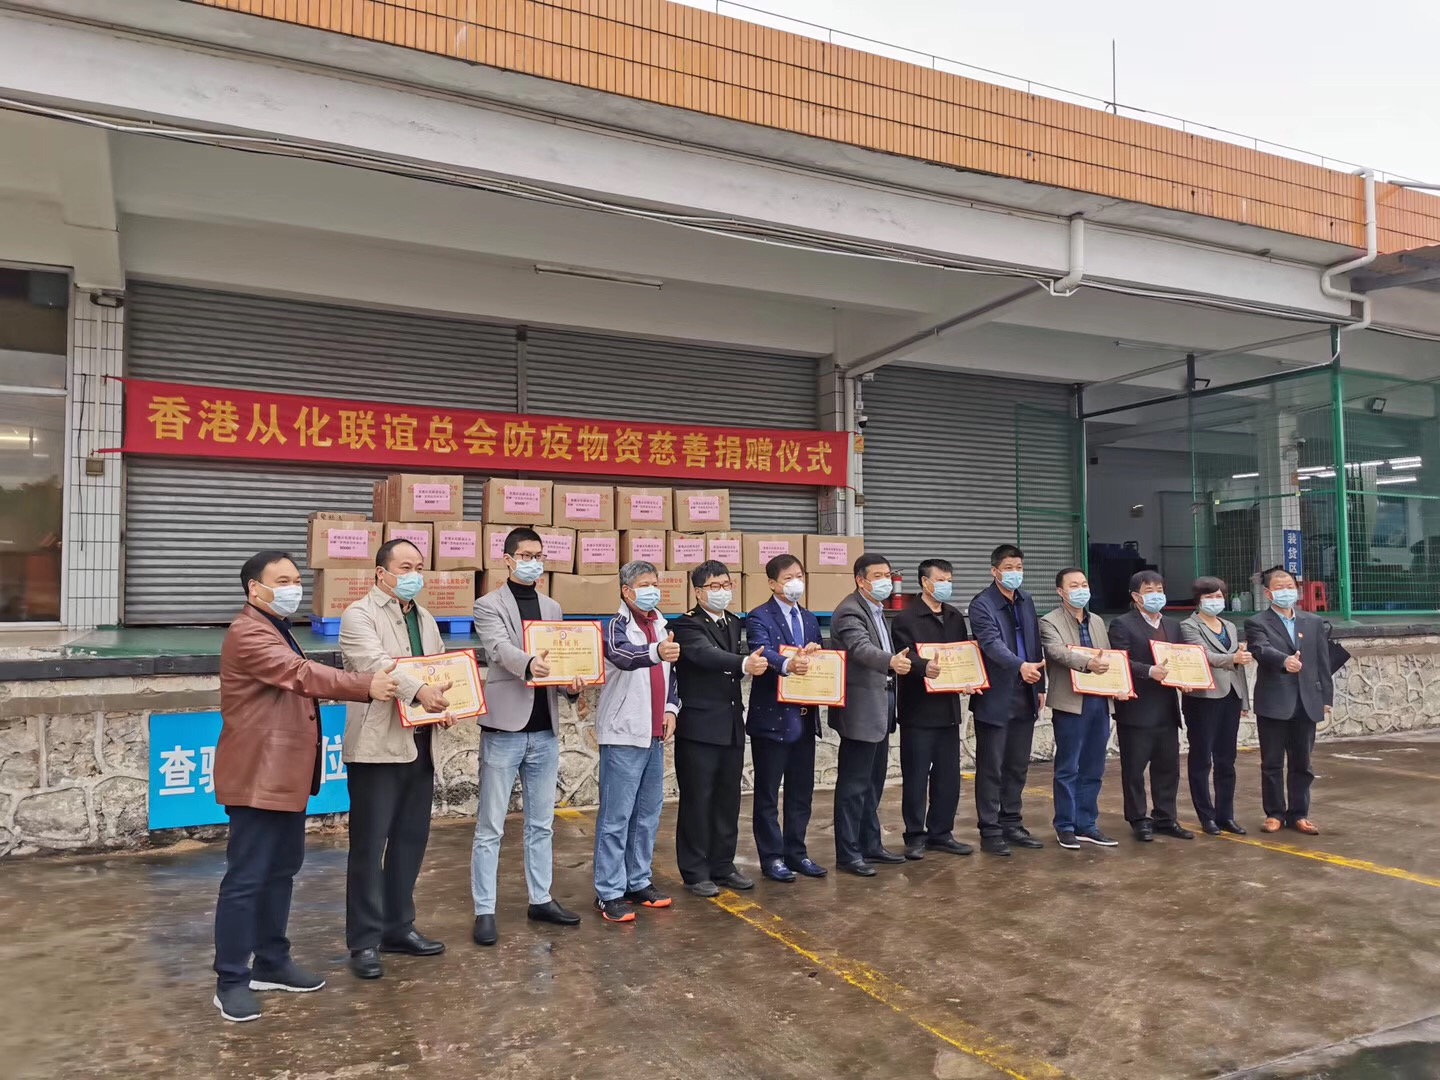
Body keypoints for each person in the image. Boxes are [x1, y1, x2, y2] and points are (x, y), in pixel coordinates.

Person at [211, 550, 396, 1023]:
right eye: (283, 580)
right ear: (255, 589)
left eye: (297, 578)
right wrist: (365, 684)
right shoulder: (248, 632)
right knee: (246, 879)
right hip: (257, 775)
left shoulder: (276, 627)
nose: (294, 587)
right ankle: (230, 980)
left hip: (283, 776)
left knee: (281, 871)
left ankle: (271, 962)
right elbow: (300, 675)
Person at [338, 539, 455, 980]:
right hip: (377, 746)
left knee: (410, 839)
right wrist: (422, 691)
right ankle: (364, 941)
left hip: (420, 742)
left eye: (419, 567)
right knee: (369, 846)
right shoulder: (359, 614)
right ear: (380, 572)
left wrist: (448, 704)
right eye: (405, 567)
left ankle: (398, 927)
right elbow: (376, 664)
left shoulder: (424, 618)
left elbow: (440, 669)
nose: (414, 575)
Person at [470, 527, 586, 947]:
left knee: (541, 823)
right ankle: (485, 909)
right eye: (525, 555)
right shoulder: (487, 605)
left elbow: (564, 657)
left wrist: (572, 683)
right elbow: (498, 649)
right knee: (491, 826)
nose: (533, 562)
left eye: (538, 555)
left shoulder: (552, 607)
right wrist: (531, 662)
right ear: (507, 559)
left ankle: (541, 899)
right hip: (504, 727)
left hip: (544, 729)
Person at [670, 560, 768, 897]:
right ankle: (695, 871)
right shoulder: (686, 625)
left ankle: (723, 864)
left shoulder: (733, 621)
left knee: (728, 799)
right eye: (714, 586)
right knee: (698, 800)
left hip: (730, 724)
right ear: (698, 592)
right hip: (699, 727)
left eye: (726, 585)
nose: (722, 591)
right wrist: (743, 663)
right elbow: (704, 654)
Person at [593, 560, 681, 923]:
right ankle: (608, 892)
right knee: (616, 817)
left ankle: (638, 880)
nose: (652, 590)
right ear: (626, 591)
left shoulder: (661, 624)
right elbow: (623, 656)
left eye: (655, 583)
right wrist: (655, 652)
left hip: (654, 733)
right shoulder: (613, 627)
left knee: (647, 814)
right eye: (644, 584)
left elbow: (672, 674)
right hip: (623, 733)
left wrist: (672, 708)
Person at [745, 553, 827, 883]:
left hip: (804, 716)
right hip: (773, 719)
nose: (796, 583)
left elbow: (819, 655)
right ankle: (772, 857)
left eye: (800, 576)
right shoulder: (758, 616)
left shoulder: (808, 617)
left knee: (801, 791)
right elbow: (762, 651)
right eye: (789, 578)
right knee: (768, 793)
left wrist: (818, 657)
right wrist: (788, 664)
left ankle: (797, 852)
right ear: (772, 583)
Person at [828, 552, 910, 876]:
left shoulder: (876, 609)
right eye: (878, 576)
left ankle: (871, 844)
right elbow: (861, 648)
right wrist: (891, 661)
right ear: (860, 580)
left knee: (873, 782)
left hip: (881, 708)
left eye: (888, 575)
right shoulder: (850, 611)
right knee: (853, 786)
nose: (885, 581)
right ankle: (848, 854)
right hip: (860, 711)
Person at [890, 559, 973, 860]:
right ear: (925, 582)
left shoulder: (954, 616)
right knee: (916, 775)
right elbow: (904, 657)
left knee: (948, 775)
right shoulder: (905, 619)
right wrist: (925, 667)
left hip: (948, 708)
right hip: (918, 710)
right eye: (940, 580)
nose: (946, 585)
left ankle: (942, 832)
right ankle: (915, 835)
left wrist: (969, 678)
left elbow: (963, 656)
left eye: (949, 579)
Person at [968, 544, 1047, 856]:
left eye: (1019, 567)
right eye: (1009, 568)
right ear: (995, 571)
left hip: (1026, 692)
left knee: (1017, 765)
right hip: (996, 695)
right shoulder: (982, 604)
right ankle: (990, 830)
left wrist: (1040, 686)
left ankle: (1012, 823)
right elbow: (990, 644)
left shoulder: (1026, 600)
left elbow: (1035, 643)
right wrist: (1020, 666)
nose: (1015, 573)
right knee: (992, 767)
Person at [1245, 567, 1334, 835]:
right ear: (1268, 593)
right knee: (1272, 763)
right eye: (1279, 587)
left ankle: (1299, 814)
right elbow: (1260, 649)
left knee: (1302, 763)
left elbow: (1322, 662)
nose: (1286, 591)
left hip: (1307, 701)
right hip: (1274, 701)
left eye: (1290, 586)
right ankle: (1274, 814)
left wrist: (1326, 697)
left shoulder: (1313, 622)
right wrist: (1284, 661)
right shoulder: (1257, 622)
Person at [1109, 570, 1194, 842]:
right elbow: (1121, 661)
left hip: (1167, 709)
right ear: (1136, 596)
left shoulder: (1173, 625)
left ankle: (1166, 818)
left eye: (1159, 590)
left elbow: (1182, 659)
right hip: (1137, 710)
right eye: (1149, 591)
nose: (1156, 595)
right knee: (1134, 770)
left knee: (1168, 768)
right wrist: (1148, 671)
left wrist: (1187, 679)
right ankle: (1138, 820)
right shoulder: (1122, 624)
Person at [1038, 567, 1119, 849]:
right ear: (1060, 591)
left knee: (1094, 766)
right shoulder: (1049, 621)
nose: (1081, 590)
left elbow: (1109, 657)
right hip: (1070, 702)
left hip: (1099, 700)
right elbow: (1056, 651)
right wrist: (1087, 663)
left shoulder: (1097, 621)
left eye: (1084, 584)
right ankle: (1065, 825)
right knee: (1068, 767)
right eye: (1074, 585)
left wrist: (1118, 684)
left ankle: (1087, 824)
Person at [1179, 577, 1253, 836]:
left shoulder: (1229, 625)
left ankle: (1226, 815)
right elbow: (1202, 655)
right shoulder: (1189, 626)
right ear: (1198, 600)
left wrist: (1244, 699)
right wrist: (1233, 658)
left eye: (1219, 595)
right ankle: (1206, 816)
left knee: (1227, 759)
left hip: (1230, 695)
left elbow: (1239, 665)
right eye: (1209, 596)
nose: (1215, 600)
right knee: (1202, 759)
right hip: (1203, 697)